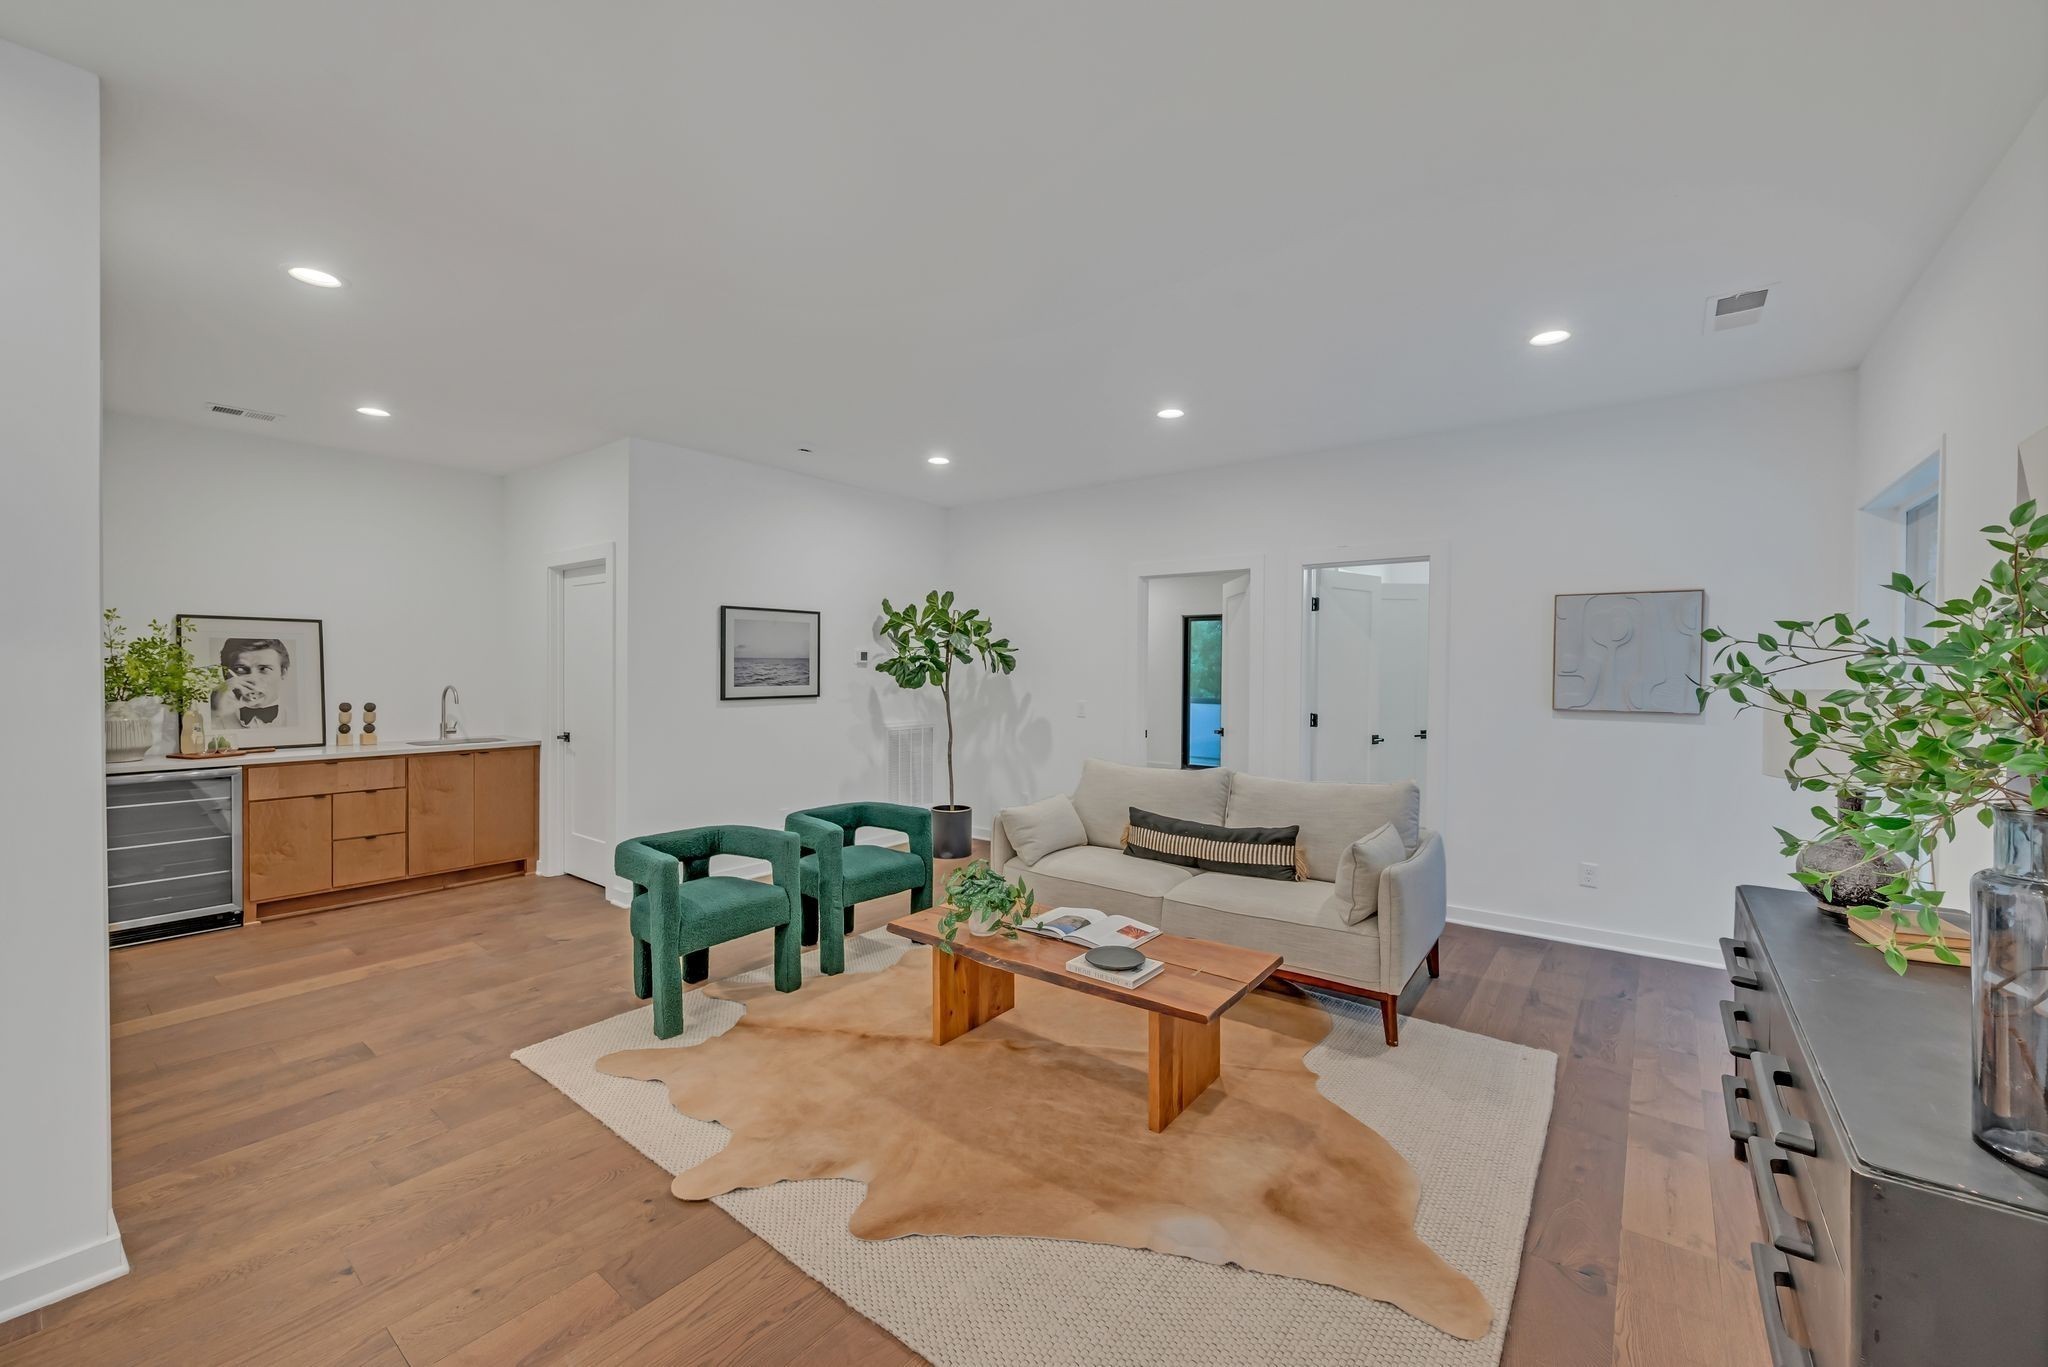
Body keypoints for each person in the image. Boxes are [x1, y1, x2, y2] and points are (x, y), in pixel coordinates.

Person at [213, 637, 291, 730]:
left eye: (264, 669)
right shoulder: (211, 722)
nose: (253, 680)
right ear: (225, 675)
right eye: (240, 669)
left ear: (283, 673)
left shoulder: (303, 719)